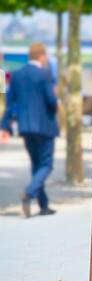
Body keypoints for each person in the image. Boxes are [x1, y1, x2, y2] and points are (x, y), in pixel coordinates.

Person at [0, 42, 59, 218]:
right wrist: (56, 108)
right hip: (45, 126)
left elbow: (10, 104)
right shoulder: (45, 73)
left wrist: (4, 126)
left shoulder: (16, 75)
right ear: (42, 56)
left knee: (36, 164)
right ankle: (29, 192)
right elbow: (50, 100)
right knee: (46, 164)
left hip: (25, 126)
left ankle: (43, 205)